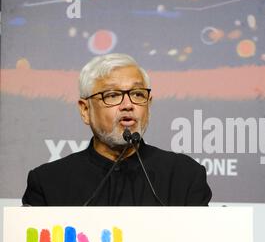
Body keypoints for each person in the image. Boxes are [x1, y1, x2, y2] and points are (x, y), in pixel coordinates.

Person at [22, 53, 212, 206]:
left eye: (138, 94)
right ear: (85, 110)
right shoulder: (48, 182)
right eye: (112, 95)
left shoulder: (184, 175)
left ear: (149, 104)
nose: (128, 105)